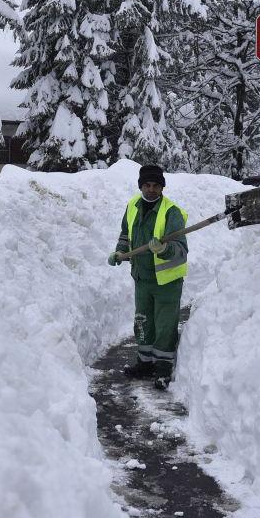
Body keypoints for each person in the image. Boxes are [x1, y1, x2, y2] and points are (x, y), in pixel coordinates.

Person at [107, 164, 188, 390]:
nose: (151, 189)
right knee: (143, 321)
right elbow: (126, 233)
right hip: (142, 277)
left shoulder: (171, 212)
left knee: (164, 325)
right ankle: (145, 362)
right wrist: (120, 252)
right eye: (147, 185)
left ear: (162, 187)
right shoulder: (133, 205)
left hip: (167, 281)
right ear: (141, 185)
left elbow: (181, 251)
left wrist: (164, 250)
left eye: (156, 185)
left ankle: (162, 368)